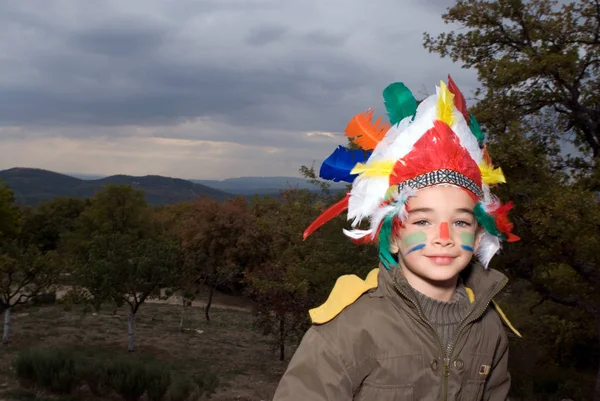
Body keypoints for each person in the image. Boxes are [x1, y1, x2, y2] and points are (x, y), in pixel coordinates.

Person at [272, 77, 521, 401]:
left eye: (460, 221)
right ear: (391, 238)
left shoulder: (488, 327)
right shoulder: (350, 327)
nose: (443, 237)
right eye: (422, 220)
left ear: (477, 237)